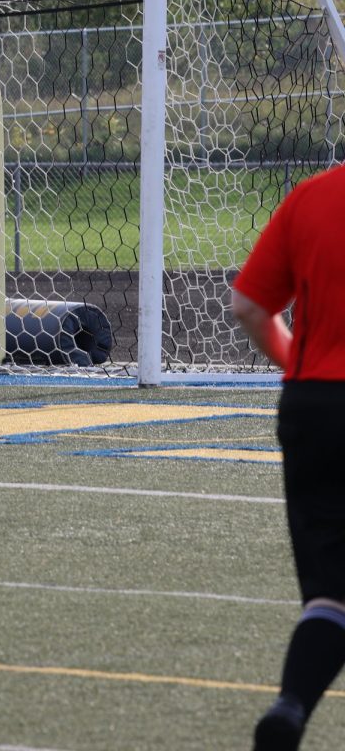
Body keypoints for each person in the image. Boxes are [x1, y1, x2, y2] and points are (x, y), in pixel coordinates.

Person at [232, 164, 345, 750]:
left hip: (314, 406)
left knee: (331, 591)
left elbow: (248, 306)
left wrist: (296, 363)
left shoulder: (311, 197)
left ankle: (292, 705)